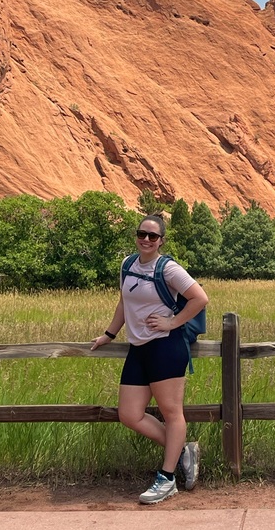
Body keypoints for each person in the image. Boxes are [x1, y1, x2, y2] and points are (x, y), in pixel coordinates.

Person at [91, 213, 209, 504]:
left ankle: (167, 479)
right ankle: (183, 451)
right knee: (129, 414)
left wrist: (172, 322)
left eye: (152, 236)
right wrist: (109, 334)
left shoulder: (168, 268)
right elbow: (124, 301)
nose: (146, 239)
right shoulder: (128, 265)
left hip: (166, 346)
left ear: (161, 241)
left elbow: (200, 298)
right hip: (138, 348)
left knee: (171, 412)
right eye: (142, 234)